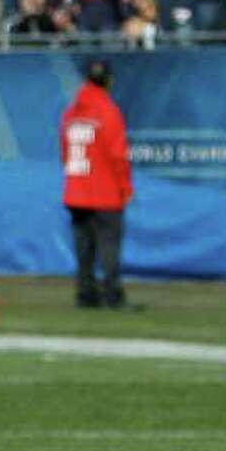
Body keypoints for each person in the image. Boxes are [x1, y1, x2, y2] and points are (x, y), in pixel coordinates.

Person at [60, 60, 133, 309]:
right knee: (109, 246)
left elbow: (64, 151)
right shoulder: (108, 111)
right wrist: (125, 187)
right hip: (104, 190)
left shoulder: (71, 113)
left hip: (77, 189)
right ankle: (112, 295)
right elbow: (118, 154)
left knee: (84, 248)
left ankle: (86, 293)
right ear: (109, 81)